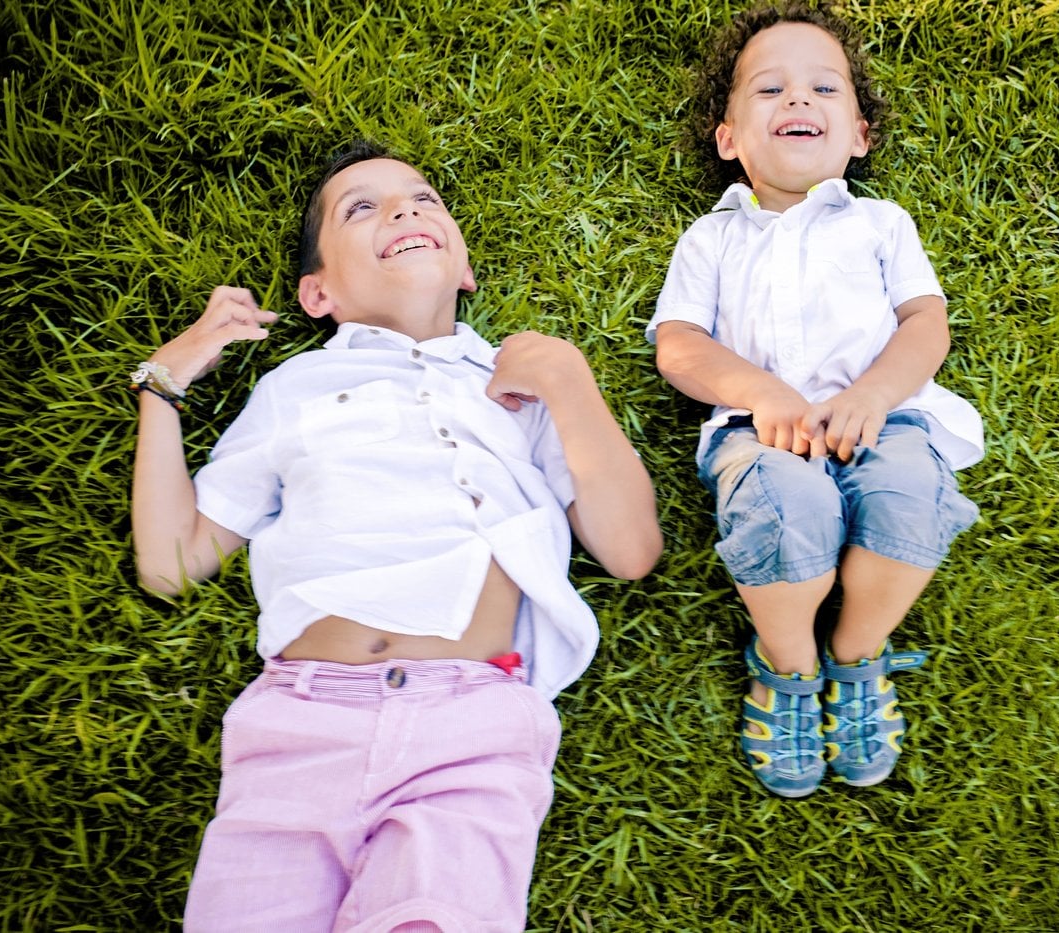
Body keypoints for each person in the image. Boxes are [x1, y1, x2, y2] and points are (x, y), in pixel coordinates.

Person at [131, 141, 662, 931]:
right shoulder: (291, 390)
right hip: (297, 726)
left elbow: (629, 550)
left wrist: (568, 380)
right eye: (363, 208)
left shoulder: (518, 385)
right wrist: (162, 385)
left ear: (465, 268)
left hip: (472, 730)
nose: (406, 211)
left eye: (424, 199)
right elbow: (174, 561)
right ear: (318, 293)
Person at [647, 3, 983, 799]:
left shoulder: (880, 224)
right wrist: (760, 392)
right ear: (729, 139)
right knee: (783, 508)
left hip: (888, 419)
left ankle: (858, 654)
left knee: (913, 497)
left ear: (859, 134)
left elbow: (924, 324)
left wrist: (875, 391)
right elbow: (680, 345)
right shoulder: (712, 238)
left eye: (823, 88)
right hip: (763, 437)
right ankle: (789, 662)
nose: (797, 101)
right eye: (769, 90)